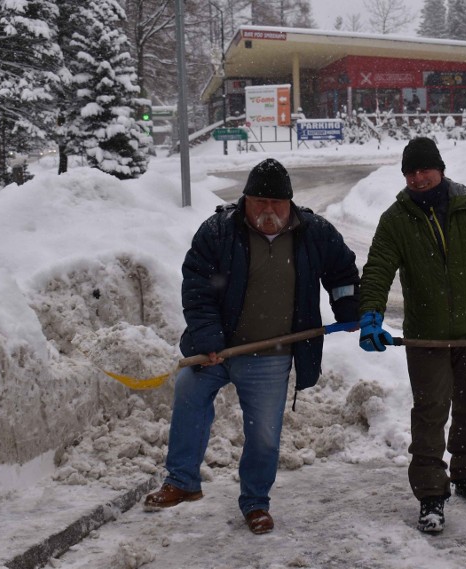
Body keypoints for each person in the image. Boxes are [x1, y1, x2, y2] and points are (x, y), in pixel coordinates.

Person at [144, 158, 360, 535]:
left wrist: (348, 307)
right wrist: (209, 339)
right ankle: (181, 481)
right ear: (245, 199)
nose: (268, 211)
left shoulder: (314, 232)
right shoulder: (218, 231)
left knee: (263, 433)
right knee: (189, 400)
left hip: (270, 355)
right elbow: (196, 288)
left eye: (276, 203)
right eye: (259, 201)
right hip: (213, 349)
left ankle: (255, 502)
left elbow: (343, 272)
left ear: (290, 204)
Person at [357, 137, 466, 534]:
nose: (418, 177)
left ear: (439, 168)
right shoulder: (397, 219)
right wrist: (371, 314)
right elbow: (378, 267)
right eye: (410, 172)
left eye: (424, 169)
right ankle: (430, 494)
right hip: (426, 337)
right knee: (429, 412)